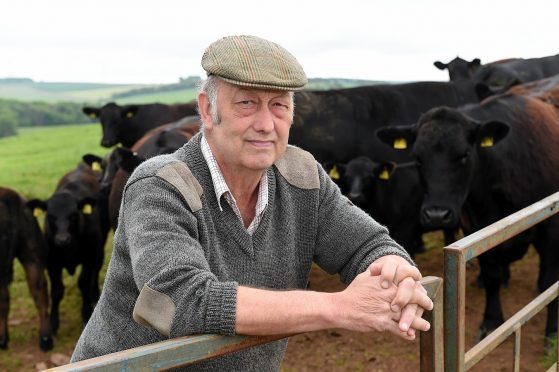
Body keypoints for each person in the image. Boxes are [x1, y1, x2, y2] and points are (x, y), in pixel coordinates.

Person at [71, 35, 433, 370]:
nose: (266, 124)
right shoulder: (162, 185)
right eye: (247, 103)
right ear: (208, 110)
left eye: (279, 105)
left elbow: (367, 245)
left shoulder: (302, 176)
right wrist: (340, 307)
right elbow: (181, 301)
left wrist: (394, 269)